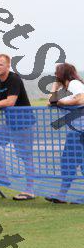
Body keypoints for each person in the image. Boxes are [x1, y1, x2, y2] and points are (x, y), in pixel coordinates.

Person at [0, 54, 36, 201]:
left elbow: (11, 101)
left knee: (26, 157)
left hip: (24, 124)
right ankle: (3, 175)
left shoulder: (14, 79)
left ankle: (30, 190)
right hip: (10, 125)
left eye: (0, 64)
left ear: (8, 66)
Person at [46, 63, 84, 203]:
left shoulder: (74, 84)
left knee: (78, 164)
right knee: (68, 164)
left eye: (57, 73)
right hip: (75, 133)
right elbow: (50, 102)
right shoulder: (65, 89)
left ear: (62, 73)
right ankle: (61, 195)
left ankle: (62, 195)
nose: (55, 76)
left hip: (81, 132)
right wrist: (55, 87)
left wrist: (62, 103)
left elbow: (81, 98)